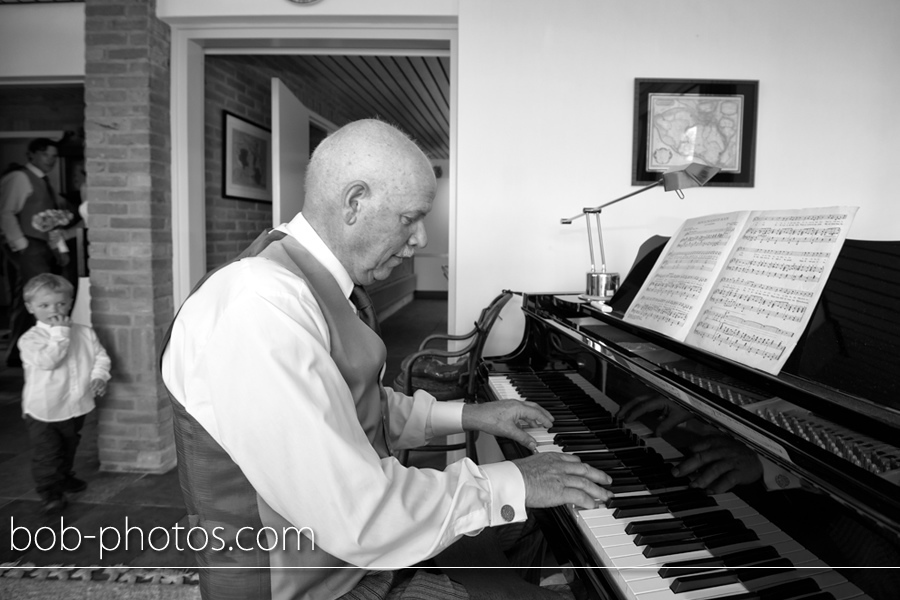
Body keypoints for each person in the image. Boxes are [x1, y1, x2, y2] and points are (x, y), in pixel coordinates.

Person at [160, 119, 612, 600]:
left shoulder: (305, 281)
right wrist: (512, 483)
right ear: (355, 202)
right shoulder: (257, 306)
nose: (419, 238)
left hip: (357, 559)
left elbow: (352, 408)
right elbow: (360, 518)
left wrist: (470, 415)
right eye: (409, 218)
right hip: (320, 587)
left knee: (521, 536)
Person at [18, 273, 110, 514]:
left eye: (60, 303)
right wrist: (60, 333)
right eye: (44, 305)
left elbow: (100, 356)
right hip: (44, 410)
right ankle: (50, 491)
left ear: (70, 303)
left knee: (69, 445)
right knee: (47, 453)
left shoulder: (84, 332)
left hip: (76, 404)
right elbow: (49, 361)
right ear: (30, 307)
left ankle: (64, 476)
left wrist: (98, 376)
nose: (53, 310)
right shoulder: (30, 339)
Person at [0, 138, 77, 368]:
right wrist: (21, 245)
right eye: (47, 155)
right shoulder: (19, 178)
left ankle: (29, 351)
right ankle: (20, 353)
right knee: (36, 297)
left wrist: (58, 248)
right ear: (31, 154)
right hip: (28, 245)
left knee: (36, 297)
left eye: (54, 157)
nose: (51, 161)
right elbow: (6, 212)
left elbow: (49, 220)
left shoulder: (45, 182)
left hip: (42, 246)